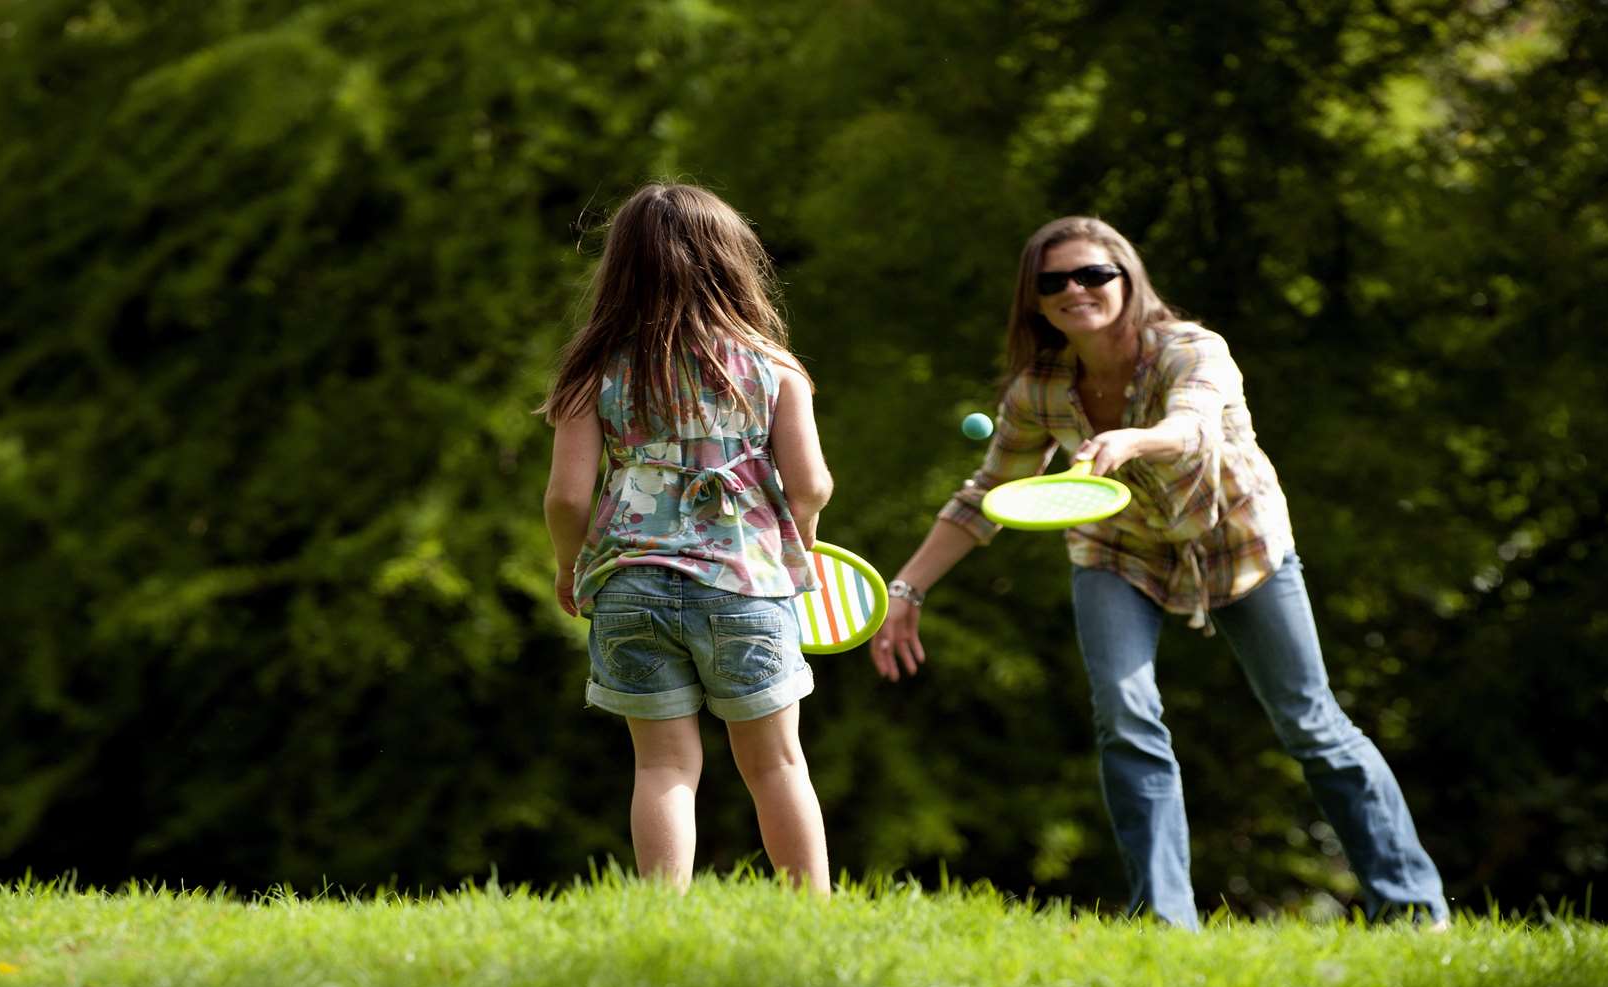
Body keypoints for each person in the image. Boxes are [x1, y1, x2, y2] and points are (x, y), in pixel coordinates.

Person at [870, 215, 1448, 929]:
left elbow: (1195, 424)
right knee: (1125, 712)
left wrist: (1135, 440)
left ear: (1127, 278)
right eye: (1053, 282)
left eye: (1092, 274)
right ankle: (1167, 920)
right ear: (1035, 300)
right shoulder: (1039, 390)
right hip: (1118, 553)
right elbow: (987, 496)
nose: (1075, 290)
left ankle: (1414, 905)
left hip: (1237, 543)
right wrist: (906, 588)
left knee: (1310, 723)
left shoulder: (1190, 350)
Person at [541, 182, 834, 894]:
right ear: (733, 262)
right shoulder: (774, 369)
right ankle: (818, 920)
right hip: (745, 580)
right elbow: (812, 484)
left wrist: (569, 567)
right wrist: (805, 542)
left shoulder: (594, 372)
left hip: (631, 583)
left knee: (663, 766)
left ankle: (661, 920)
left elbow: (566, 495)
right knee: (776, 765)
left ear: (621, 269)